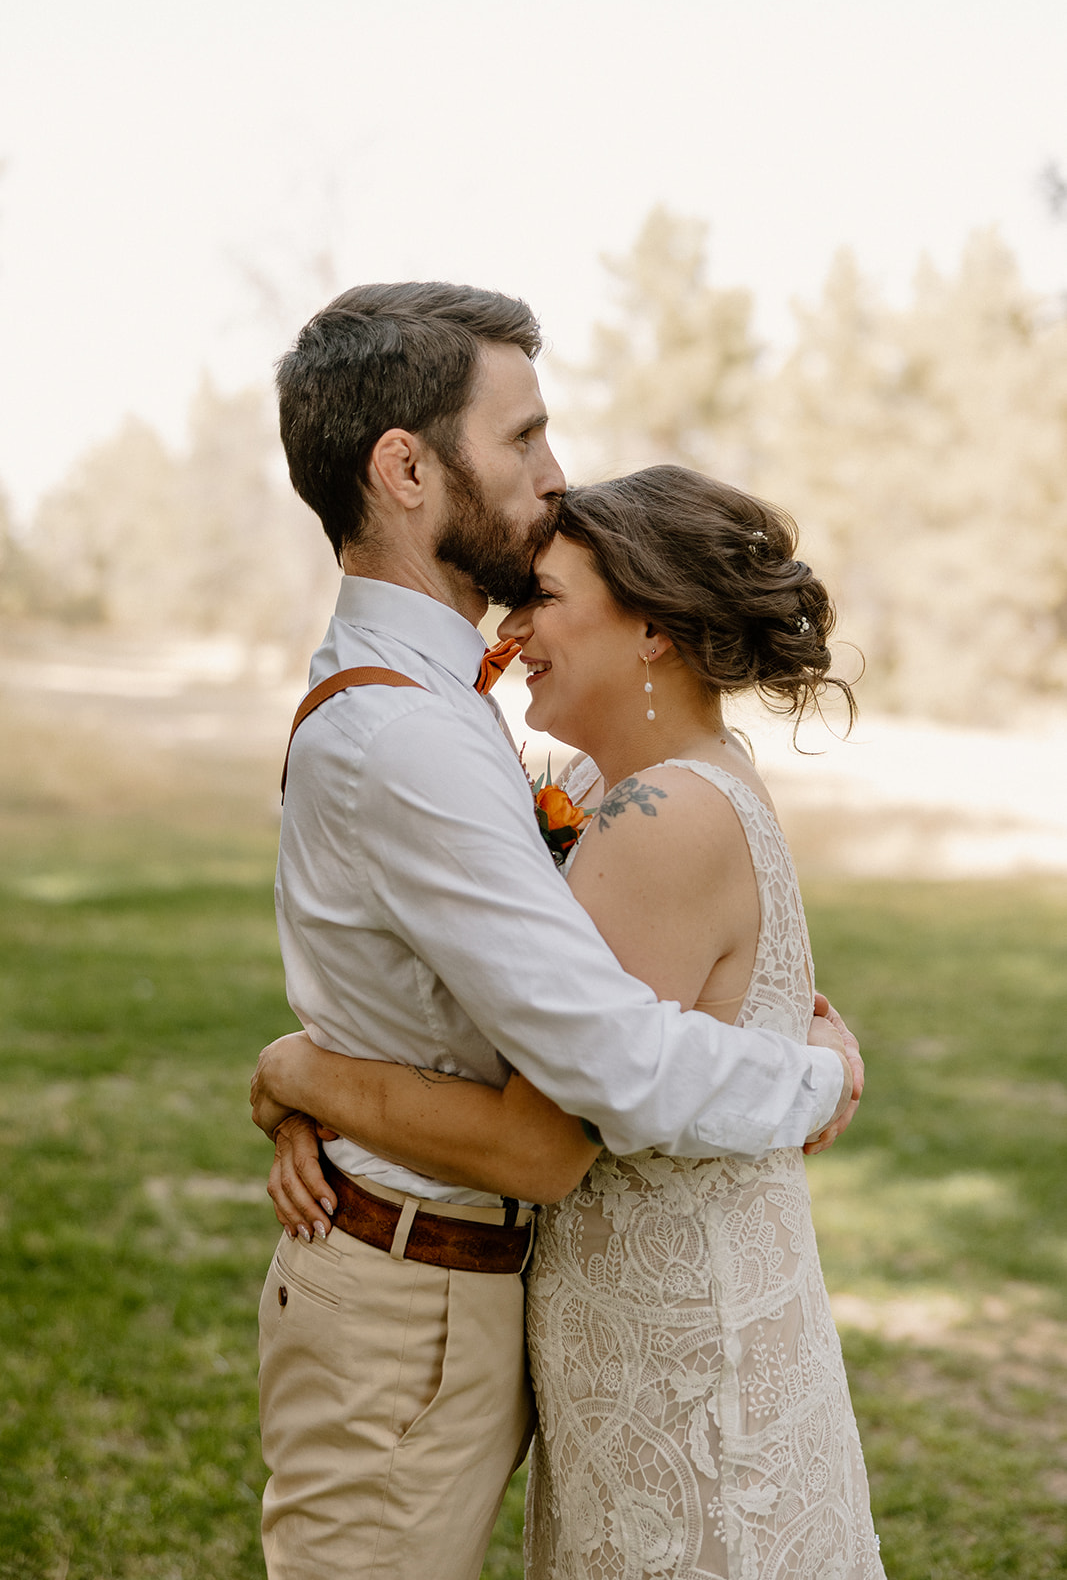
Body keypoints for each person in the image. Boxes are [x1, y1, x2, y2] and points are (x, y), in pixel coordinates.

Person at [256, 282, 862, 1580]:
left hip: (538, 1295)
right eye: (524, 435)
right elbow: (593, 1078)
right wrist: (812, 1077)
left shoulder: (488, 727)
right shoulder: (416, 731)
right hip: (415, 1293)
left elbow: (529, 1064)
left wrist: (313, 1074)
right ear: (406, 469)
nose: (552, 470)